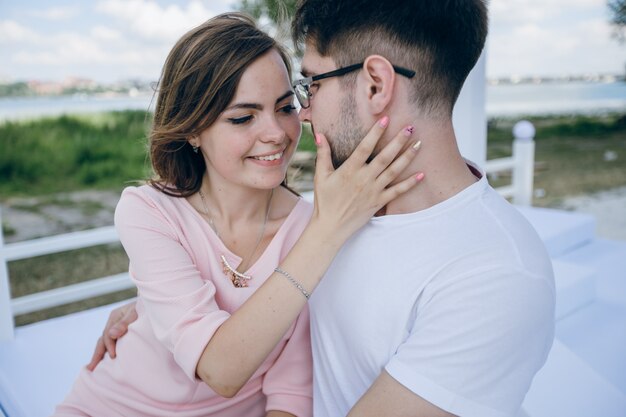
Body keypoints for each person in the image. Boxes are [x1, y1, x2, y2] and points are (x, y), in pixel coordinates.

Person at [93, 1, 557, 416]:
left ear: (376, 85)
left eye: (308, 87)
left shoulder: (495, 275)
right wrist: (156, 310)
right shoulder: (337, 214)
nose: (302, 115)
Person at [53, 12, 423, 417]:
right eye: (243, 117)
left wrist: (323, 230)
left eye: (285, 107)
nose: (277, 133)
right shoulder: (147, 211)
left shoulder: (311, 230)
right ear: (192, 130)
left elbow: (291, 393)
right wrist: (325, 233)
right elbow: (219, 368)